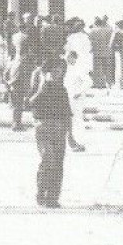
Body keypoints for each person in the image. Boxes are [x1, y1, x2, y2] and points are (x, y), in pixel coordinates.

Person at [29, 57, 72, 208]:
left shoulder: (62, 90)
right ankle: (41, 192)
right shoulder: (42, 87)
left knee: (58, 163)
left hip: (59, 130)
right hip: (43, 128)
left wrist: (71, 136)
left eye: (60, 70)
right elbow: (31, 103)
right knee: (48, 159)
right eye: (55, 70)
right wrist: (41, 88)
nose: (57, 73)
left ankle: (53, 197)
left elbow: (68, 114)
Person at [7, 45, 36, 131]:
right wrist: (11, 83)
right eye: (27, 54)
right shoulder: (20, 63)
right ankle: (16, 124)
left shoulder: (15, 62)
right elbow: (18, 77)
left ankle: (17, 123)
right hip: (17, 88)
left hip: (16, 87)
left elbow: (7, 73)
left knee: (18, 107)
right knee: (17, 107)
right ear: (24, 54)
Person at [89, 18, 113, 88]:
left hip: (97, 52)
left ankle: (99, 84)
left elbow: (90, 41)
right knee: (106, 68)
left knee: (97, 68)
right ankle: (109, 83)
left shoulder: (93, 31)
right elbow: (109, 40)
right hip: (106, 52)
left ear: (95, 23)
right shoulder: (107, 30)